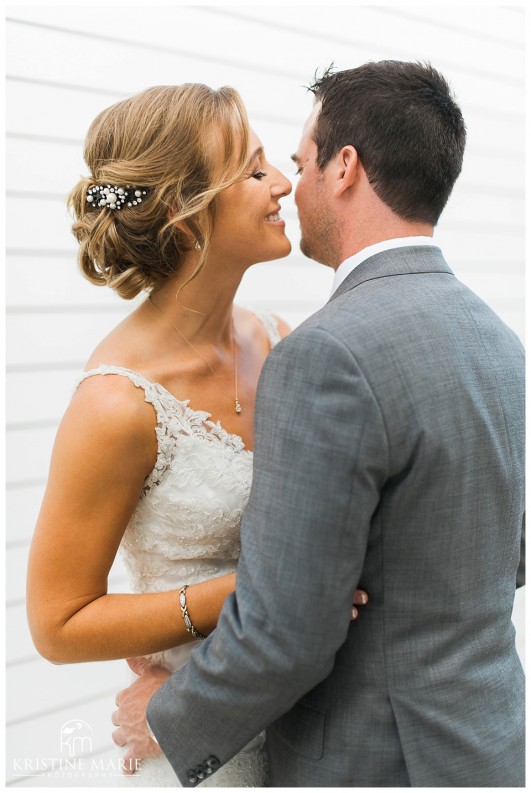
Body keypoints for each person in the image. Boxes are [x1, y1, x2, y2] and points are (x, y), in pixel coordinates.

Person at [112, 61, 525, 787]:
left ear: (344, 168)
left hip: (372, 758)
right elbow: (503, 555)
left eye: (298, 163)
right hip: (486, 745)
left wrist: (169, 713)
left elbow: (289, 632)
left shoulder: (323, 354)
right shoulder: (495, 339)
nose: (287, 186)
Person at [25, 81, 369, 787]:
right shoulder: (117, 405)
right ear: (184, 219)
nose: (281, 183)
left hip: (310, 727)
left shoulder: (282, 344)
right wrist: (242, 593)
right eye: (251, 169)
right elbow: (56, 624)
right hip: (200, 748)